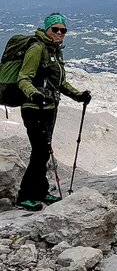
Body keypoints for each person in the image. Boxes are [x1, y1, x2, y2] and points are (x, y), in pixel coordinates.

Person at [15, 13, 92, 211]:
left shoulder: (55, 51)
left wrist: (79, 95)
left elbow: (60, 83)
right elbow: (24, 78)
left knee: (44, 151)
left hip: (49, 109)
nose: (59, 33)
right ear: (47, 30)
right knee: (40, 150)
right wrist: (34, 94)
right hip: (33, 108)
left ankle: (41, 192)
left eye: (63, 30)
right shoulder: (37, 48)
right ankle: (24, 195)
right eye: (55, 29)